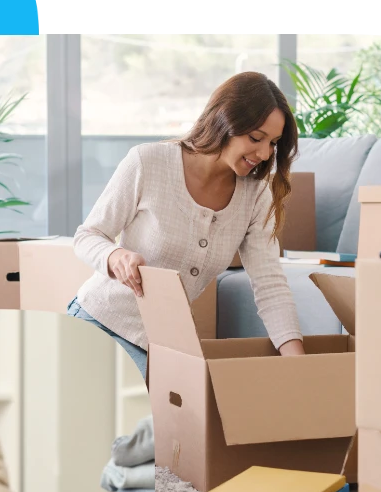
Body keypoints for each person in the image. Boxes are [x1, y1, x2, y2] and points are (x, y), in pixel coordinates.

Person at [68, 72, 307, 378]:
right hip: (97, 325)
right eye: (256, 138)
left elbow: (270, 283)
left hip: (164, 347)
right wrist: (115, 257)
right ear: (225, 121)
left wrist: (300, 367)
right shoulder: (147, 162)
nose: (264, 154)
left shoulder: (256, 193)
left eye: (273, 143)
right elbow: (87, 236)